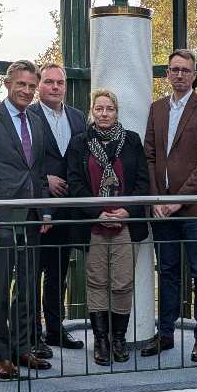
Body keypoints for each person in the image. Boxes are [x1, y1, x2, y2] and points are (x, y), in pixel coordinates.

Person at [0, 60, 53, 379]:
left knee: (28, 287)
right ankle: (1, 356)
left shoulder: (36, 120)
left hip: (31, 217)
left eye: (32, 86)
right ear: (7, 84)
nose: (27, 91)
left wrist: (45, 209)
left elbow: (39, 170)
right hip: (0, 219)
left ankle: (22, 348)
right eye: (22, 85)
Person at [142, 49, 197, 361]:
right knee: (167, 272)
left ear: (194, 75)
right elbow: (150, 155)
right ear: (167, 74)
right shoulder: (156, 109)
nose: (179, 74)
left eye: (185, 70)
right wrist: (157, 199)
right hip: (162, 210)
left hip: (195, 211)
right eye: (174, 69)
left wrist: (178, 200)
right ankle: (165, 334)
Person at [66, 89, 151, 365]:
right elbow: (75, 185)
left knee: (123, 283)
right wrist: (98, 213)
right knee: (96, 282)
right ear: (92, 111)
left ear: (117, 112)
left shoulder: (132, 141)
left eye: (109, 109)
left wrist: (126, 211)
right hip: (94, 226)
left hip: (125, 225)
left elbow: (142, 183)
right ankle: (101, 341)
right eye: (99, 109)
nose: (104, 114)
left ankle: (118, 339)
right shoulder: (80, 142)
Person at [27, 62, 87, 355]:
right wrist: (44, 180)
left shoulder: (77, 117)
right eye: (48, 82)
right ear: (39, 85)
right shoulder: (29, 115)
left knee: (58, 273)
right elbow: (21, 160)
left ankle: (54, 329)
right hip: (37, 210)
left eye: (59, 83)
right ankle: (29, 334)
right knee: (31, 273)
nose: (54, 87)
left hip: (67, 212)